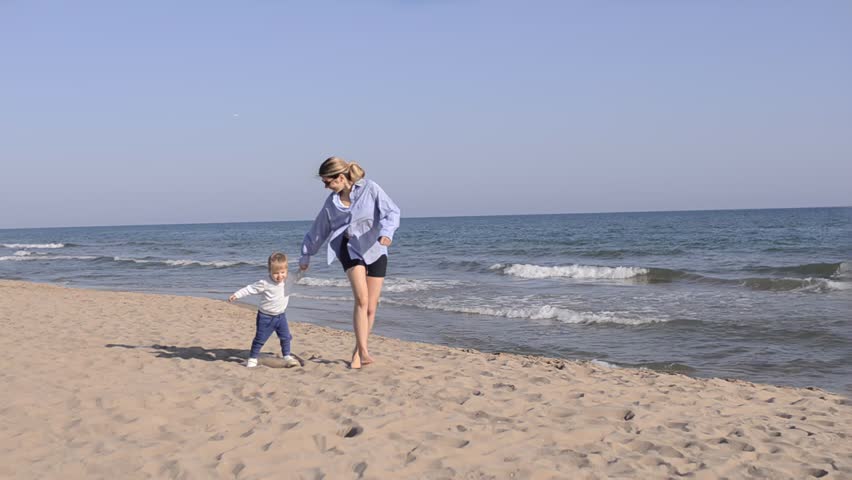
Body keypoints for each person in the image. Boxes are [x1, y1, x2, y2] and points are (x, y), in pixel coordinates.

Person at [299, 156, 400, 369]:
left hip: (375, 249)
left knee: (371, 307)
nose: (326, 187)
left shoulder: (370, 188)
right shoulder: (331, 203)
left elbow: (392, 212)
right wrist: (306, 255)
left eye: (328, 182)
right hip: (349, 249)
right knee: (361, 300)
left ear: (341, 177)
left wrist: (387, 233)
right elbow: (319, 231)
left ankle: (357, 352)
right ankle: (363, 352)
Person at [229, 252, 300, 368]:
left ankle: (286, 355)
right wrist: (237, 295)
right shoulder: (265, 283)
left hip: (281, 316)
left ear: (286, 270)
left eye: (282, 272)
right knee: (260, 339)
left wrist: (303, 268)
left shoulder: (289, 279)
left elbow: (299, 275)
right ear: (270, 271)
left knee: (286, 337)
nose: (279, 276)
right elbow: (250, 289)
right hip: (265, 317)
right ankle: (252, 358)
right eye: (275, 273)